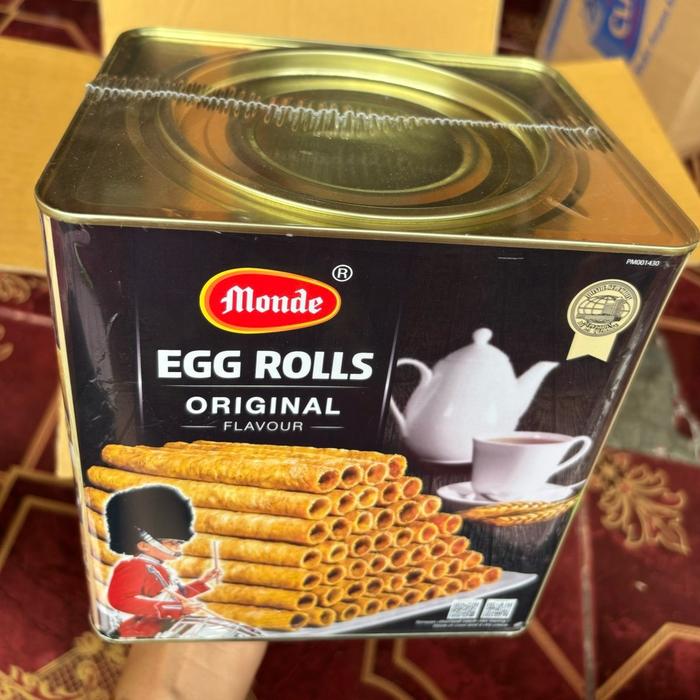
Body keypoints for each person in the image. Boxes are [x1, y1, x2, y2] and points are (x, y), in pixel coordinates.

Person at [104, 485, 221, 638]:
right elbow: (122, 600)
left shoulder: (160, 568)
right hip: (137, 633)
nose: (178, 547)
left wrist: (202, 582)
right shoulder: (132, 567)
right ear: (144, 545)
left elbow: (174, 596)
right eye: (172, 542)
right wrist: (177, 609)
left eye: (179, 542)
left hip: (163, 630)